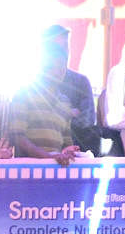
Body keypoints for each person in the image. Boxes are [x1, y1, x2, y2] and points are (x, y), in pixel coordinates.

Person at [9, 39, 83, 165]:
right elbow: (17, 137)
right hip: (28, 171)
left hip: (56, 170)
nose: (60, 70)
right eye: (55, 65)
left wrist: (69, 151)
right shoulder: (24, 94)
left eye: (63, 65)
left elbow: (65, 143)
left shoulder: (65, 102)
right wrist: (48, 157)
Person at [42, 24, 101, 156]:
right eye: (57, 48)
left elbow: (87, 120)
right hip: (39, 156)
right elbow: (33, 123)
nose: (64, 52)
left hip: (76, 155)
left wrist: (54, 118)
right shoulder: (32, 86)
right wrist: (68, 112)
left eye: (65, 47)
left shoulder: (81, 82)